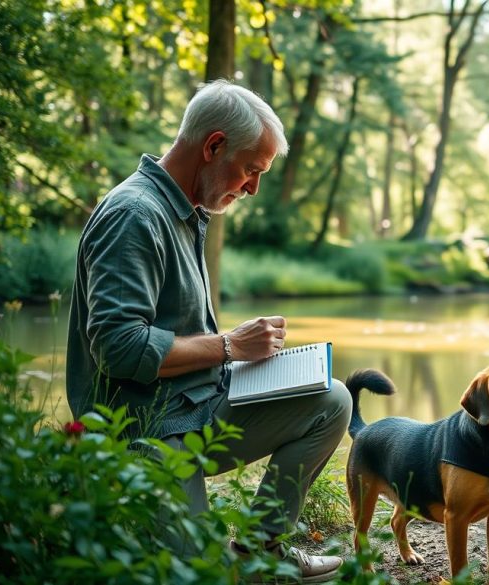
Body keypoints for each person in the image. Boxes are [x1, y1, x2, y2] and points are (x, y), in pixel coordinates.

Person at [66, 79, 352, 582]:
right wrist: (228, 346)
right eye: (250, 170)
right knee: (200, 573)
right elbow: (118, 348)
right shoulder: (135, 215)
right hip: (142, 429)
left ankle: (262, 548)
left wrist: (240, 354)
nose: (252, 187)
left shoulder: (185, 209)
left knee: (332, 399)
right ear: (214, 145)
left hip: (197, 408)